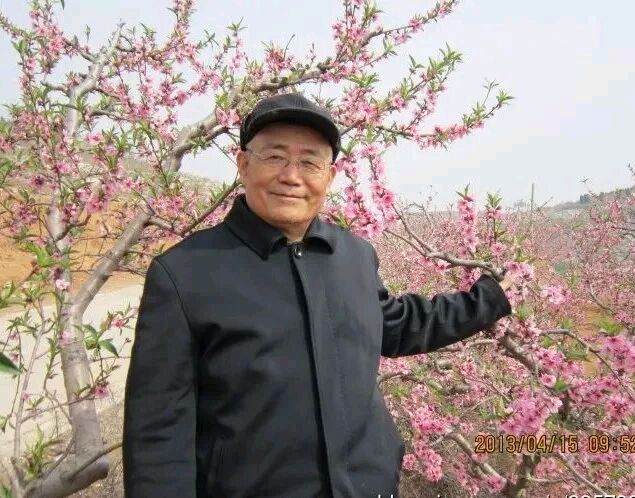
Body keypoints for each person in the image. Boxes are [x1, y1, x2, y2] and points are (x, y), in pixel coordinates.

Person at [122, 93, 515, 498]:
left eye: (310, 162)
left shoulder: (354, 256)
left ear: (329, 176)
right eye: (275, 156)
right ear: (243, 164)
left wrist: (488, 300)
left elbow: (394, 325)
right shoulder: (185, 274)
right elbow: (157, 433)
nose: (291, 176)